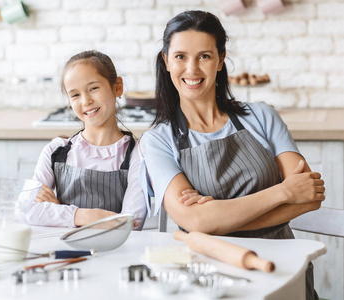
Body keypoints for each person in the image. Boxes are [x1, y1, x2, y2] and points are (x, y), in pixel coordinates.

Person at [138, 10, 324, 299]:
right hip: (209, 275)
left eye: (204, 56)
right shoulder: (157, 141)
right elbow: (195, 222)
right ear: (166, 61)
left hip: (285, 266)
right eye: (180, 57)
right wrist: (282, 192)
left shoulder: (262, 116)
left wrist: (216, 219)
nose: (192, 69)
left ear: (221, 60)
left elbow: (309, 196)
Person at [26, 50, 147, 230]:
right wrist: (88, 216)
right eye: (75, 95)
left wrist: (58, 212)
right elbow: (28, 209)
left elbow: (131, 223)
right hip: (63, 251)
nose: (86, 101)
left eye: (93, 88)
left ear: (117, 87)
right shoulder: (56, 151)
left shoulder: (137, 154)